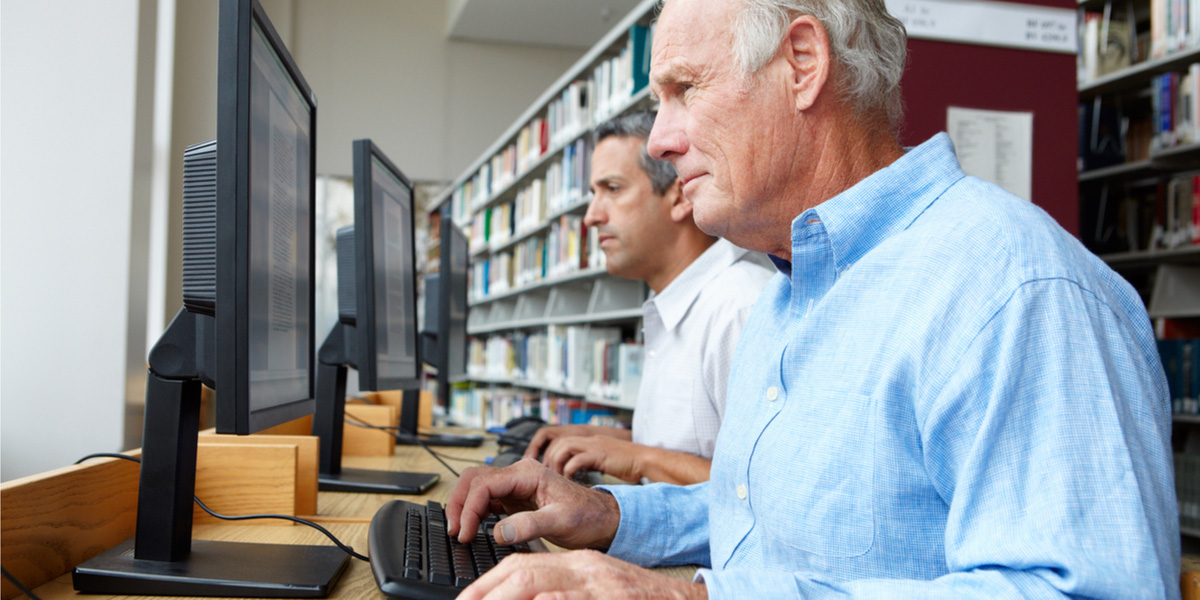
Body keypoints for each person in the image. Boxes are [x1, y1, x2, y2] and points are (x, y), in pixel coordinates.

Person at [445, 0, 1180, 597]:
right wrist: (607, 515)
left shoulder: (1017, 291)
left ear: (802, 63)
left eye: (683, 90)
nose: (660, 141)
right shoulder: (789, 293)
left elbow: (1081, 592)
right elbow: (775, 517)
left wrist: (682, 597)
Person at [525, 111, 773, 485]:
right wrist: (607, 442)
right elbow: (700, 449)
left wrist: (637, 458)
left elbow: (757, 488)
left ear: (679, 195)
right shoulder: (675, 304)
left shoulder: (739, 308)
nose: (590, 217)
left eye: (612, 188)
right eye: (594, 193)